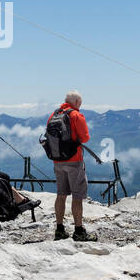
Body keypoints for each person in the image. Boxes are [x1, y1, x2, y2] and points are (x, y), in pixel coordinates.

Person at [49, 91, 95, 241]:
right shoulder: (76, 115)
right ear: (75, 102)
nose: (80, 106)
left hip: (57, 160)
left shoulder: (54, 115)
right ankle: (79, 230)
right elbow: (85, 138)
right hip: (74, 160)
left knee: (61, 195)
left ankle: (60, 229)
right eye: (80, 104)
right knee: (77, 196)